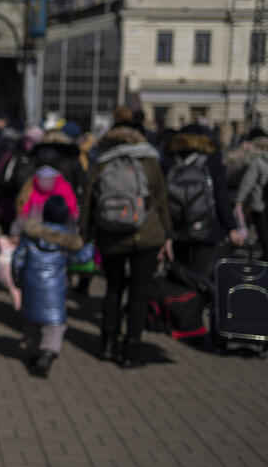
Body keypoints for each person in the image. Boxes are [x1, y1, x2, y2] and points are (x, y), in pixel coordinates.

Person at [80, 112, 172, 368]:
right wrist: (167, 234)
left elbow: (88, 202)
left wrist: (86, 235)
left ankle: (107, 345)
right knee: (139, 295)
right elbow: (162, 199)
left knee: (113, 290)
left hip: (110, 235)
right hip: (147, 234)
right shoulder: (149, 161)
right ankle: (130, 350)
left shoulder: (102, 162)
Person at [12, 196, 94, 377]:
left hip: (31, 287)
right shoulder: (66, 241)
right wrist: (90, 245)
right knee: (54, 326)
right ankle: (47, 353)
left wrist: (18, 280)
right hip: (55, 291)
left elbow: (18, 260)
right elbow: (81, 258)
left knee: (31, 322)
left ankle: (33, 352)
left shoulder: (31, 237)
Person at [164, 124, 243, 279]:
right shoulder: (212, 160)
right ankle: (198, 301)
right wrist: (232, 227)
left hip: (177, 226)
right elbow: (221, 197)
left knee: (179, 275)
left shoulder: (169, 160)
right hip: (207, 227)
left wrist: (165, 233)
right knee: (201, 276)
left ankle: (181, 301)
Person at [236, 143, 268, 257]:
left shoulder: (258, 161)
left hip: (259, 206)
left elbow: (247, 183)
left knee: (264, 235)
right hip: (262, 205)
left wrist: (239, 201)